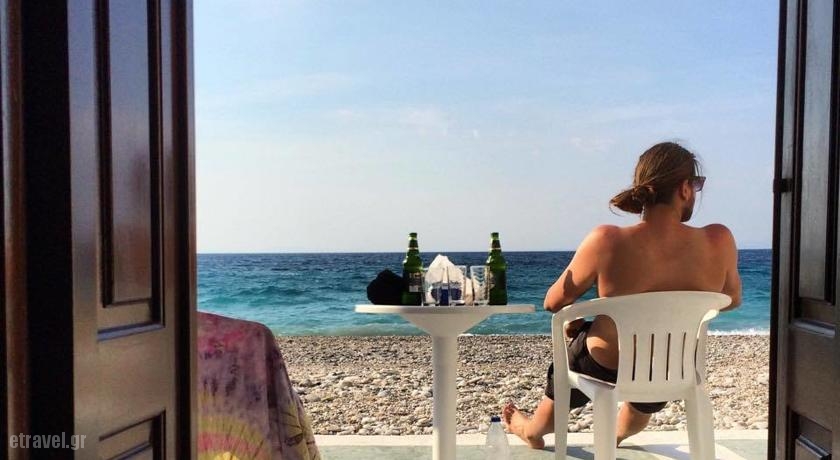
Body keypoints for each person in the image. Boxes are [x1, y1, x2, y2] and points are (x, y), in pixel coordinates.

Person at [503, 141, 742, 449]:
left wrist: (576, 317)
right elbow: (731, 299)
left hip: (603, 361)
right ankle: (614, 435)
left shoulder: (606, 239)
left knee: (573, 358)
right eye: (696, 184)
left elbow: (553, 302)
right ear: (684, 188)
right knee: (642, 400)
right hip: (669, 365)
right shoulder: (719, 240)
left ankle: (531, 431)